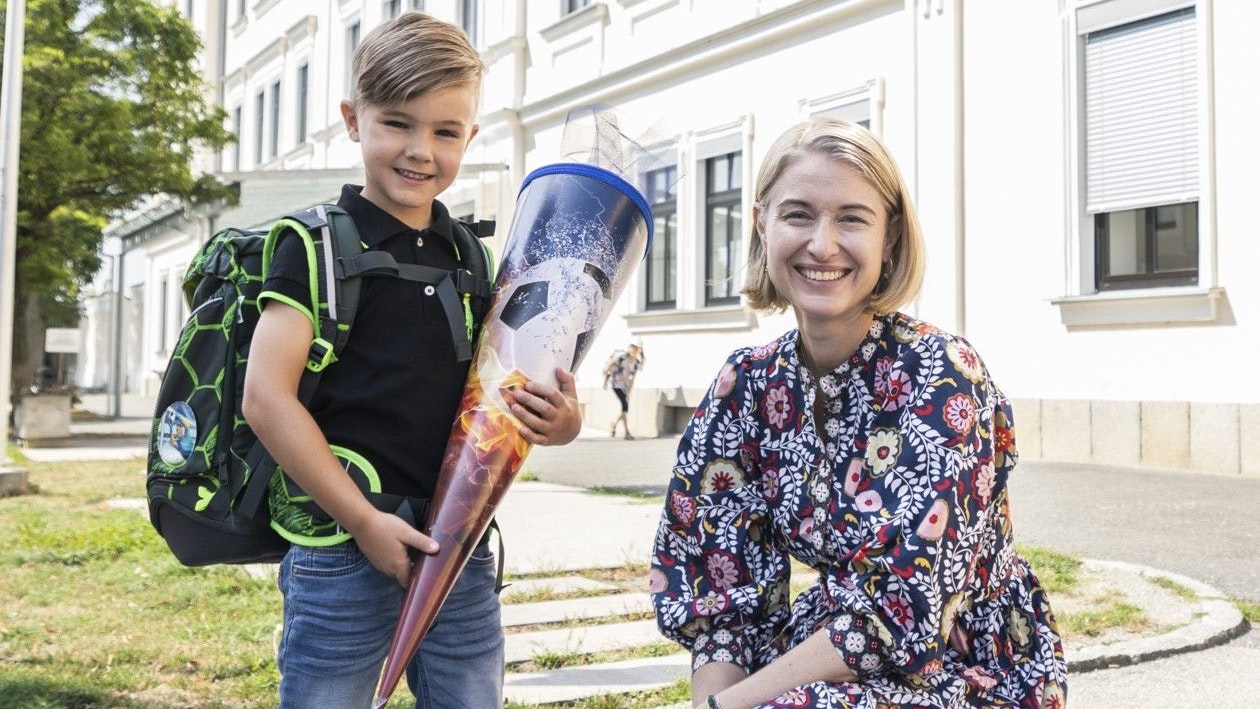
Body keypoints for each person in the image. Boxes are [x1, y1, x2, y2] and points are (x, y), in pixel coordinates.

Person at [649, 118, 1067, 709]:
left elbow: (899, 607)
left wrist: (733, 707)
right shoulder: (746, 384)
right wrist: (712, 703)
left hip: (966, 664)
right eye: (798, 215)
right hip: (828, 651)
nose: (823, 245)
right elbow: (723, 584)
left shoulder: (941, 375)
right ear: (762, 224)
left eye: (851, 218)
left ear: (889, 236)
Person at [242, 12, 582, 708]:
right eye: (397, 123)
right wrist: (364, 522)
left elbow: (500, 389)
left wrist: (563, 420)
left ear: (470, 137)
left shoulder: (472, 257)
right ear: (353, 120)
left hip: (456, 545)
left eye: (445, 132)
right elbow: (266, 399)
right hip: (341, 549)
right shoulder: (311, 246)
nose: (420, 150)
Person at [603, 343, 644, 439]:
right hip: (616, 384)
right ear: (629, 349)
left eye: (636, 349)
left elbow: (633, 378)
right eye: (632, 348)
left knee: (624, 409)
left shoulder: (636, 363)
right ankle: (627, 432)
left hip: (625, 386)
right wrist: (605, 381)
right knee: (625, 406)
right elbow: (609, 367)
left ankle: (614, 424)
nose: (634, 350)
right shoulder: (622, 359)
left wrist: (629, 391)